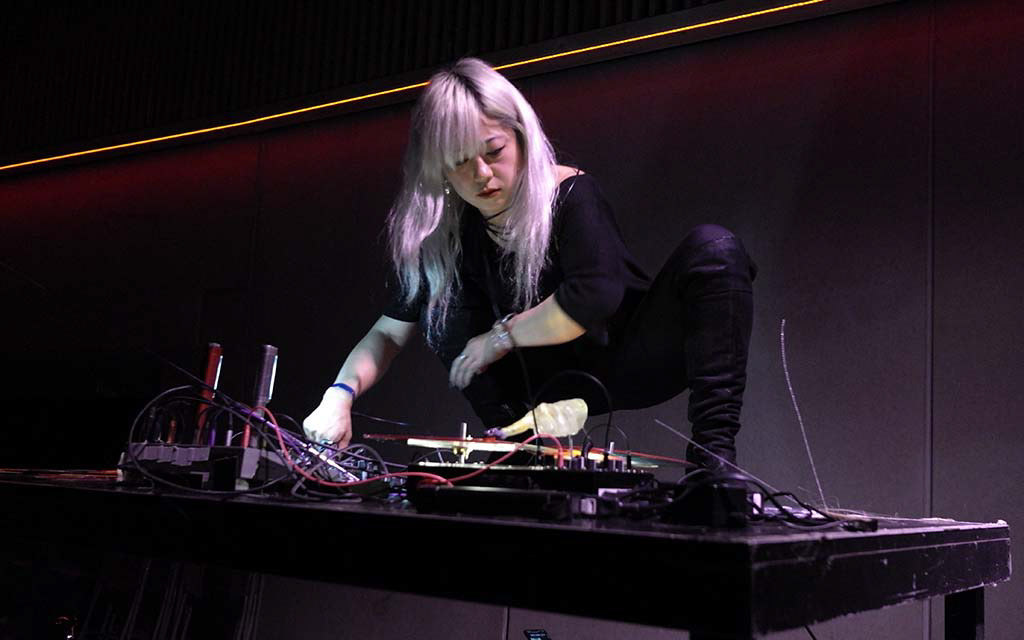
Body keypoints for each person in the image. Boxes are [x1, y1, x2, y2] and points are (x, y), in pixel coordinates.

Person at [303, 58, 756, 469]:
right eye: (460, 163)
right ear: (441, 172)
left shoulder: (571, 195)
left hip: (626, 363)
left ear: (521, 137)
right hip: (535, 396)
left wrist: (498, 338)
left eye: (494, 151)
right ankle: (513, 450)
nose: (481, 174)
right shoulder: (448, 236)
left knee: (715, 249)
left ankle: (713, 464)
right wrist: (338, 396)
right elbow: (388, 333)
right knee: (439, 295)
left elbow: (593, 298)